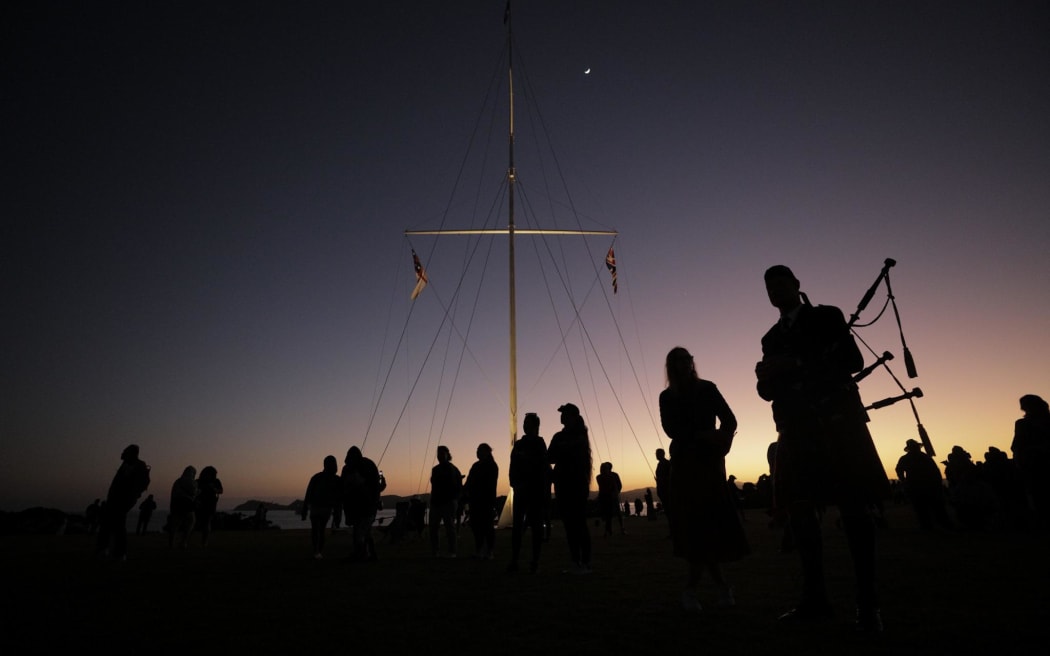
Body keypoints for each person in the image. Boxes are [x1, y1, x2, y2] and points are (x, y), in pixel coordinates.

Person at [756, 265, 890, 632]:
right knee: (800, 514)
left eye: (781, 284)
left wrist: (793, 364)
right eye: (769, 287)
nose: (775, 292)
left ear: (797, 286)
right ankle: (815, 600)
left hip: (837, 423)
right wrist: (765, 378)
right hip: (795, 429)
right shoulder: (769, 338)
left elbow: (852, 361)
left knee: (854, 511)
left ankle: (868, 606)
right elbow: (770, 391)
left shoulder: (827, 316)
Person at [660, 346, 749, 612]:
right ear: (672, 365)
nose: (685, 363)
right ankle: (715, 588)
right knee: (695, 525)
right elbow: (670, 429)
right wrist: (702, 435)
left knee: (706, 525)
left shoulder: (708, 388)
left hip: (709, 464)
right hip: (685, 466)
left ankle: (696, 589)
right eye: (679, 360)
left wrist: (722, 442)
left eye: (688, 358)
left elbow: (730, 420)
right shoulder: (667, 396)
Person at [548, 403, 593, 574]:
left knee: (579, 523)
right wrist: (563, 449)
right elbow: (550, 456)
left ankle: (586, 562)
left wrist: (562, 450)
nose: (561, 416)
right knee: (569, 524)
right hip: (562, 483)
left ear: (573, 416)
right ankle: (575, 561)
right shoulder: (560, 436)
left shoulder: (580, 435)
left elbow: (560, 453)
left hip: (577, 484)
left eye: (564, 413)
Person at [507, 412, 551, 573]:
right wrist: (514, 483)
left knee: (536, 526)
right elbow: (512, 465)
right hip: (520, 490)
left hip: (535, 490)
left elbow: (543, 466)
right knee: (517, 526)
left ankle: (535, 561)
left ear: (535, 426)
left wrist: (543, 489)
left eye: (528, 423)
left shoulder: (540, 443)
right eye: (524, 422)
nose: (525, 425)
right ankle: (515, 560)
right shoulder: (518, 445)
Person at [96, 444, 151, 560]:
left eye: (124, 452)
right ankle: (106, 550)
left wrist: (130, 499)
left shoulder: (138, 466)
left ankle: (119, 553)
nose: (122, 454)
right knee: (109, 524)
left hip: (123, 501)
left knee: (117, 525)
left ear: (131, 453)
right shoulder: (126, 465)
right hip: (116, 500)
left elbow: (138, 485)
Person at [895, 439, 953, 530]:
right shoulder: (925, 457)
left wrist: (904, 480)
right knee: (933, 507)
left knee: (923, 508)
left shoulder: (906, 458)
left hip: (918, 485)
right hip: (924, 485)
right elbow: (935, 470)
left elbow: (899, 470)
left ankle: (931, 525)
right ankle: (940, 524)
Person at [1011, 394, 1050, 528]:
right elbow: (1017, 446)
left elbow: (1017, 447)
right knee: (1037, 495)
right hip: (1032, 464)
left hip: (1036, 463)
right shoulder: (1022, 424)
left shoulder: (1024, 424)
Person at [342, 446, 383, 561]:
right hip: (364, 505)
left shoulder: (363, 467)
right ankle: (370, 554)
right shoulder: (368, 465)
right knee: (366, 530)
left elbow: (374, 486)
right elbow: (377, 486)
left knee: (360, 531)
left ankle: (360, 554)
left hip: (366, 505)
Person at [302, 455, 342, 558]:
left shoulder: (318, 477)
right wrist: (305, 509)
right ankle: (317, 551)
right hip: (319, 508)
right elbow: (309, 494)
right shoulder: (331, 479)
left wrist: (305, 509)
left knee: (318, 529)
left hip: (323, 508)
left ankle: (317, 550)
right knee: (319, 529)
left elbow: (339, 498)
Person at [464, 443, 499, 559]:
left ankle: (489, 551)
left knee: (487, 526)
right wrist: (465, 492)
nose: (477, 452)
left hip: (486, 500)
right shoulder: (476, 466)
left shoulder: (492, 466)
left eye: (479, 450)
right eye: (477, 450)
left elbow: (489, 484)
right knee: (476, 526)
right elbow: (469, 481)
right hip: (475, 500)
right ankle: (479, 549)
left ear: (487, 452)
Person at [429, 445, 463, 558]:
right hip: (436, 502)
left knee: (450, 527)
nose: (440, 456)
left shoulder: (453, 469)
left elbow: (459, 486)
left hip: (448, 502)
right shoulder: (435, 470)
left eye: (442, 454)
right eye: (438, 454)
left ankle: (452, 552)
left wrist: (455, 500)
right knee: (433, 528)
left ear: (447, 455)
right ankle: (435, 551)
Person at [168, 466, 198, 549]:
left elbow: (173, 495)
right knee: (190, 523)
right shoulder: (192, 482)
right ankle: (183, 542)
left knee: (175, 525)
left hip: (176, 505)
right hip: (187, 505)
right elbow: (193, 492)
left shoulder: (177, 481)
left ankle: (171, 544)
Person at [195, 466, 224, 546]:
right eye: (214, 474)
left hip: (210, 504)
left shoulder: (216, 481)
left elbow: (221, 490)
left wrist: (214, 489)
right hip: (201, 503)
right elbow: (194, 491)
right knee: (199, 522)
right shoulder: (199, 481)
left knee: (207, 522)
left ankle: (204, 542)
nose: (215, 476)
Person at [596, 462, 625, 536]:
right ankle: (609, 530)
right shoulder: (600, 477)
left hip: (612, 496)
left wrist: (616, 493)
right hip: (605, 497)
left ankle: (621, 529)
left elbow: (619, 485)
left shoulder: (614, 475)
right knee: (608, 514)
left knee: (617, 513)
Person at [654, 448, 671, 517]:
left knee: (669, 508)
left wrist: (661, 480)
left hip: (666, 490)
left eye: (657, 454)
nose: (656, 455)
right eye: (656, 454)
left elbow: (669, 476)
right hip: (662, 489)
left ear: (662, 454)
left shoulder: (666, 463)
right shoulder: (660, 464)